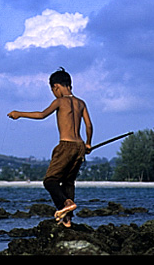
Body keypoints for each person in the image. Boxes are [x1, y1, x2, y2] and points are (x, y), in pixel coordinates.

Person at [7, 67, 93, 227]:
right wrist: (88, 143)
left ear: (56, 87)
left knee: (50, 181)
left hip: (66, 145)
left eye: (53, 90)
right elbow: (89, 125)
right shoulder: (81, 103)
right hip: (79, 146)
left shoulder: (60, 101)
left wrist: (19, 113)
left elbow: (41, 114)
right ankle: (68, 219)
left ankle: (65, 205)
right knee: (68, 182)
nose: (54, 93)